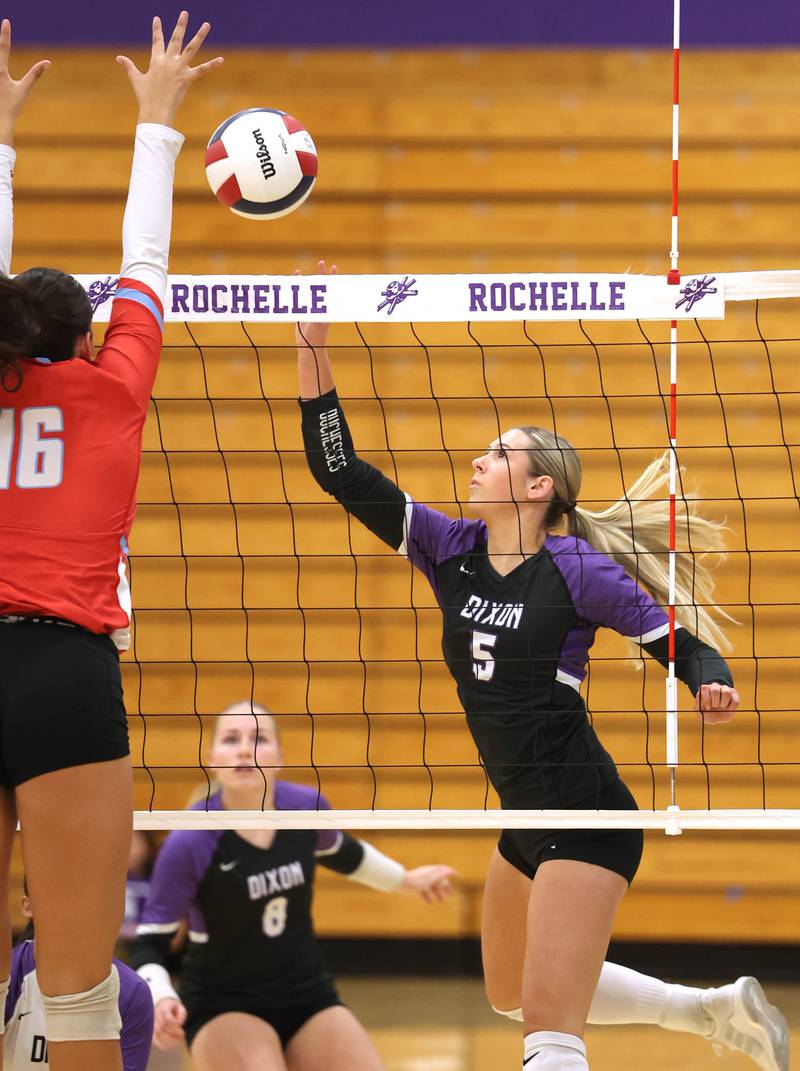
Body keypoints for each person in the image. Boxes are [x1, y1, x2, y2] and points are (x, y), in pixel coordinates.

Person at [293, 262, 789, 1071]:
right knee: (512, 993)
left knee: (548, 1032)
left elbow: (671, 634)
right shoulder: (448, 547)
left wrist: (704, 674)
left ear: (537, 487)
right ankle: (710, 1010)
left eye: (500, 453)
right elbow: (340, 472)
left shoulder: (574, 570)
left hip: (585, 810)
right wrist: (314, 348)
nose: (480, 461)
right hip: (527, 810)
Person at [0, 14, 221, 1070]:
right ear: (85, 336)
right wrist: (156, 119)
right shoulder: (114, 384)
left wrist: (0, 140)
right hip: (62, 673)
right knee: (79, 991)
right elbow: (147, 257)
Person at [128, 702, 457, 1071]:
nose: (243, 749)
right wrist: (160, 996)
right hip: (223, 1005)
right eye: (231, 739)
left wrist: (406, 879)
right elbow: (148, 945)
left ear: (280, 757)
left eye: (259, 738)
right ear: (212, 758)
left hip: (308, 996)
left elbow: (344, 852)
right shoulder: (191, 840)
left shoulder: (304, 809)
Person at [3, 883, 153, 1071]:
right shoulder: (11, 974)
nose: (69, 908)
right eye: (57, 897)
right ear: (28, 906)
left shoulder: (132, 990)